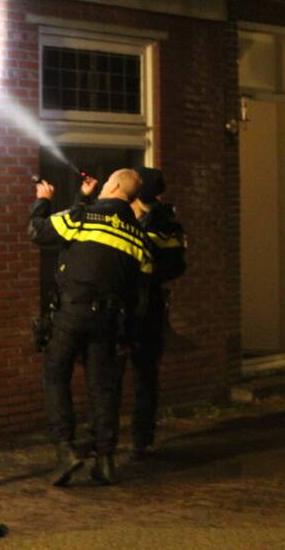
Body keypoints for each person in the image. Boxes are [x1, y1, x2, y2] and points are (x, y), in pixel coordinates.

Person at [29, 168, 152, 486]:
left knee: (55, 375)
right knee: (102, 388)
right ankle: (106, 461)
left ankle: (65, 450)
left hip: (71, 314)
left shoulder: (82, 217)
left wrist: (44, 201)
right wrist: (130, 335)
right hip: (109, 321)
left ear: (112, 185)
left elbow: (38, 231)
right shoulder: (139, 237)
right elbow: (142, 295)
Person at [120, 166, 186, 460]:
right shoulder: (161, 219)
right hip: (133, 304)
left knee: (143, 375)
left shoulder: (162, 221)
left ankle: (140, 438)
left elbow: (176, 264)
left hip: (144, 306)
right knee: (131, 374)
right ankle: (130, 438)